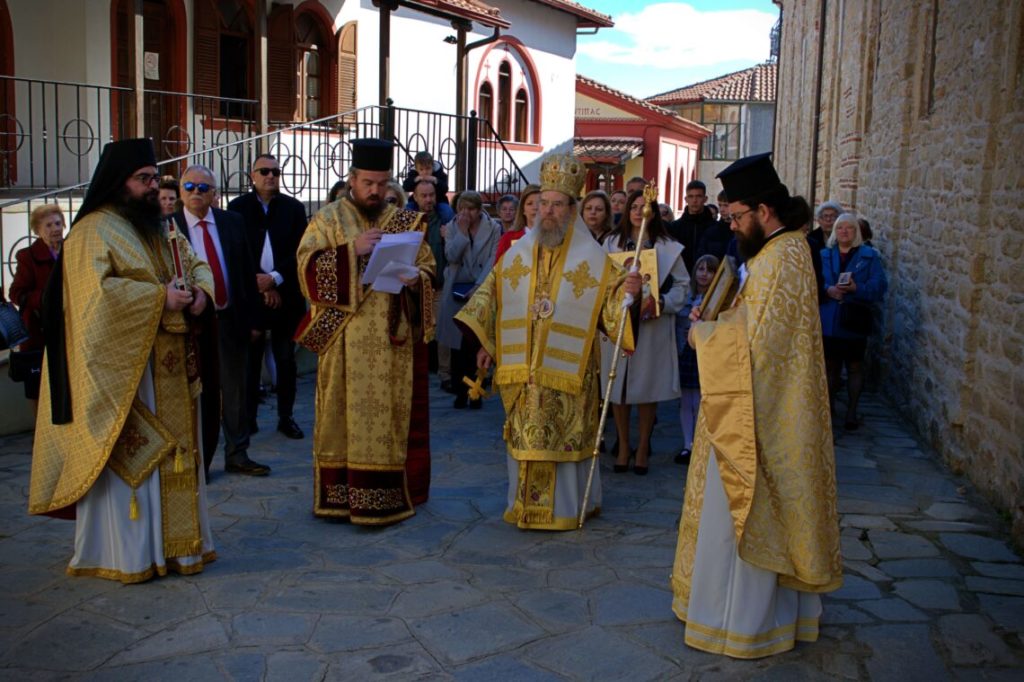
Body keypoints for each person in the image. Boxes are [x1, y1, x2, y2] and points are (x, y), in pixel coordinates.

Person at [671, 152, 842, 658]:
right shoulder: (772, 254)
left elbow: (760, 349)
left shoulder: (784, 258)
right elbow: (751, 322)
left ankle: (741, 622)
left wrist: (705, 333)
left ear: (764, 211)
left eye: (737, 216)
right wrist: (719, 312)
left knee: (741, 518)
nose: (734, 226)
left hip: (758, 416)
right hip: (745, 407)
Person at [28, 138, 217, 582]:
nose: (153, 187)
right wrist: (159, 298)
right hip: (124, 377)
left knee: (174, 458)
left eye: (155, 178)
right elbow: (94, 300)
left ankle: (178, 549)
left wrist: (200, 296)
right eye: (143, 179)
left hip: (166, 366)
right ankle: (127, 555)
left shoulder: (159, 225)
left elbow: (194, 262)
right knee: (136, 462)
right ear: (119, 182)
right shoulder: (93, 230)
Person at [455, 153, 641, 530]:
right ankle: (524, 504)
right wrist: (488, 345)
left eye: (558, 204)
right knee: (526, 434)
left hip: (568, 373)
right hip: (523, 368)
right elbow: (490, 298)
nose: (550, 211)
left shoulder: (593, 259)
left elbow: (611, 308)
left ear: (572, 210)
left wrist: (630, 290)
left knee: (566, 431)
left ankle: (567, 507)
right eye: (544, 204)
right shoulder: (517, 255)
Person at [295, 138, 436, 524]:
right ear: (353, 179)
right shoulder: (327, 219)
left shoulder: (406, 220)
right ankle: (341, 497)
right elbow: (305, 271)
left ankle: (387, 496)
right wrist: (350, 251)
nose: (375, 191)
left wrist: (415, 279)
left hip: (393, 344)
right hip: (345, 344)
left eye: (382, 183)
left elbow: (429, 269)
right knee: (342, 419)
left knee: (388, 420)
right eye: (368, 183)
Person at [173, 165, 268, 478]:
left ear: (214, 193)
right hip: (189, 323)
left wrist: (255, 320)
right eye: (189, 186)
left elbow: (245, 272)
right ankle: (196, 462)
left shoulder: (231, 222)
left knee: (236, 389)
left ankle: (237, 453)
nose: (196, 193)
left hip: (229, 319)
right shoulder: (168, 228)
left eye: (204, 188)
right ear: (180, 192)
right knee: (192, 393)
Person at [602, 190, 690, 475]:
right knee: (619, 385)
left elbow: (682, 286)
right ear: (627, 210)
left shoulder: (669, 247)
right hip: (620, 321)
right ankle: (623, 444)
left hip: (652, 324)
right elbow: (599, 280)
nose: (640, 212)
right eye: (635, 206)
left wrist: (661, 303)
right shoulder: (611, 243)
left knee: (646, 385)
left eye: (646, 207)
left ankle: (642, 446)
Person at [227, 154, 307, 440]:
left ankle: (286, 416)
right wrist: (259, 286)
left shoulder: (294, 209)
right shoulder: (237, 209)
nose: (270, 176)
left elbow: (301, 251)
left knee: (286, 360)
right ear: (252, 176)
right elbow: (235, 253)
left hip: (286, 297)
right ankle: (248, 419)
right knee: (251, 361)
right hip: (252, 298)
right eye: (264, 171)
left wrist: (274, 279)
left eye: (275, 171)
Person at [820, 212, 887, 430]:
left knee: (855, 367)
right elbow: (812, 281)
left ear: (856, 231)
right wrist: (828, 290)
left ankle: (851, 411)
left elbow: (880, 286)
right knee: (830, 367)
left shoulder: (869, 256)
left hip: (854, 320)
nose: (844, 231)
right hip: (830, 319)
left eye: (849, 228)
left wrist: (857, 289)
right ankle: (828, 411)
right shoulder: (824, 255)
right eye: (840, 228)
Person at [437, 190, 500, 409]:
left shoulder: (493, 228)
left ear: (479, 209)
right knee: (457, 344)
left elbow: (494, 258)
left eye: (471, 209)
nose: (467, 213)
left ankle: (476, 391)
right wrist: (462, 234)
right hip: (456, 287)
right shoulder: (453, 226)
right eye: (462, 209)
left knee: (476, 343)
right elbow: (451, 256)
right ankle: (459, 390)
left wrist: (479, 287)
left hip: (480, 288)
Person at [9, 204, 65, 413]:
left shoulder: (72, 250)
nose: (54, 229)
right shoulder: (28, 256)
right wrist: (44, 298)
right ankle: (41, 437)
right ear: (38, 230)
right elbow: (16, 293)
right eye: (48, 225)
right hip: (39, 330)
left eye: (58, 223)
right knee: (40, 388)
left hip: (67, 327)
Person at [673, 254, 718, 465]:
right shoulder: (687, 295)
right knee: (685, 400)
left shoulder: (716, 299)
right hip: (685, 351)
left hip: (705, 351)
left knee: (701, 399)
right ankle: (687, 444)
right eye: (700, 269)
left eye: (709, 270)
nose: (704, 274)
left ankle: (701, 442)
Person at [411, 178, 452, 392]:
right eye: (424, 196)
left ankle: (445, 374)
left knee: (442, 329)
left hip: (438, 285)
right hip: (414, 285)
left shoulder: (445, 220)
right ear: (415, 197)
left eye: (431, 195)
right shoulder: (409, 221)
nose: (428, 199)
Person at [667, 180, 717, 275]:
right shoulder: (674, 227)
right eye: (691, 196)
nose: (694, 200)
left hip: (707, 278)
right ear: (686, 199)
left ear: (705, 199)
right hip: (681, 279)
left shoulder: (715, 228)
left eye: (698, 196)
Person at [494, 184, 540, 264]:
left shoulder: (556, 238)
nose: (535, 207)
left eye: (540, 203)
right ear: (523, 210)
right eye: (529, 203)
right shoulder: (508, 238)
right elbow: (498, 270)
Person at [696, 190, 732, 261]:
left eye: (726, 205)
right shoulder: (711, 231)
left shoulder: (743, 230)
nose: (721, 209)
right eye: (720, 205)